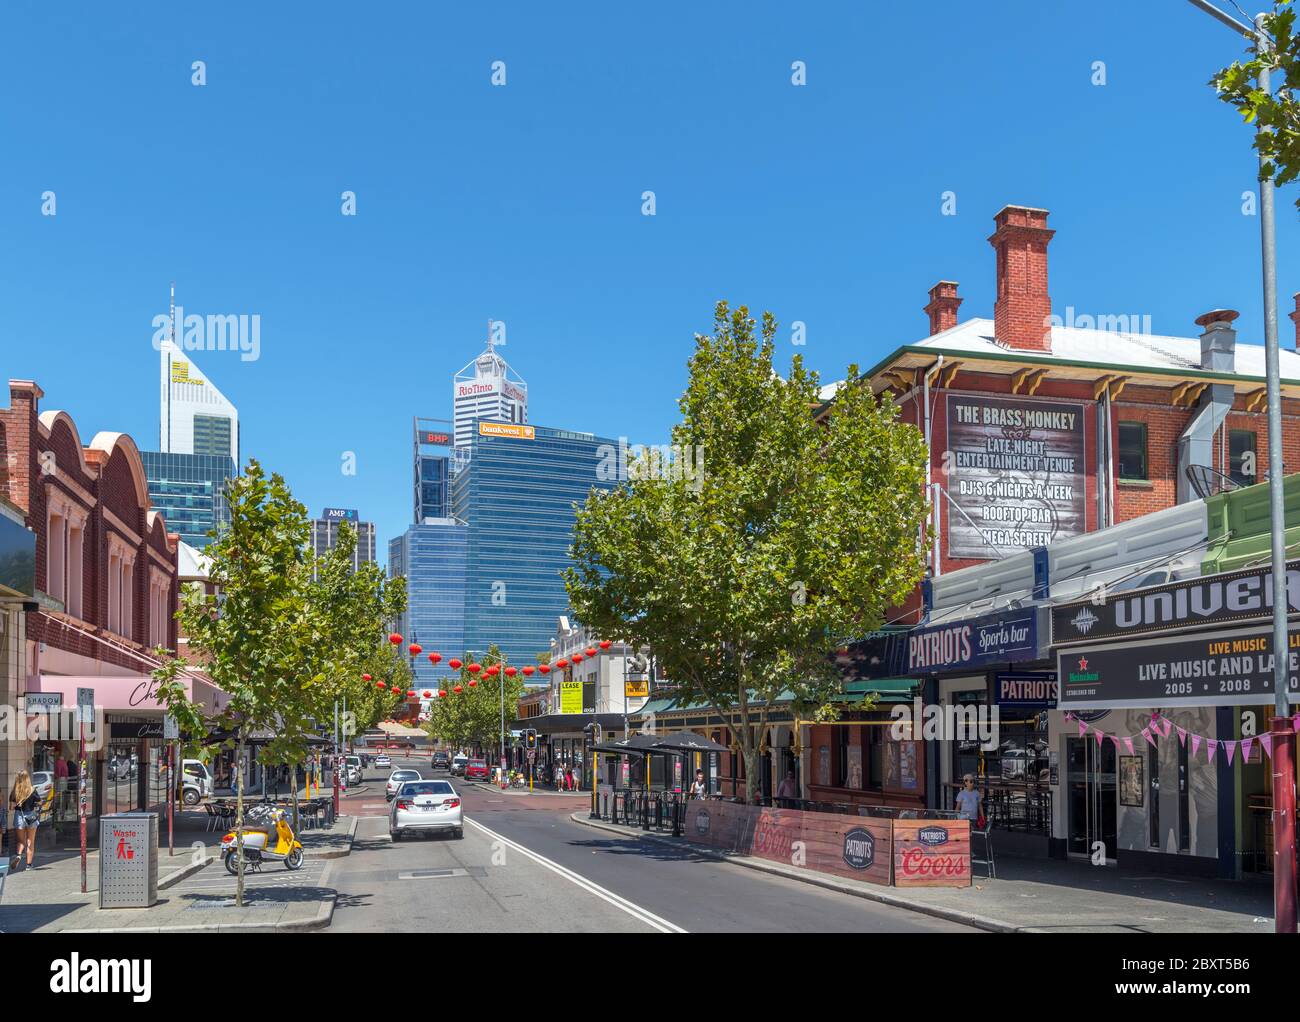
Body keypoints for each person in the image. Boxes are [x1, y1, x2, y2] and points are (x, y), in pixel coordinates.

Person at [9, 771, 42, 870]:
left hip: (19, 816)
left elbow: (11, 807)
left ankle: (18, 855)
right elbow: (40, 802)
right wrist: (34, 804)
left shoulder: (15, 791)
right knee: (30, 842)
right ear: (27, 778)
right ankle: (28, 865)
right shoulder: (32, 790)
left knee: (21, 841)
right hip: (30, 817)